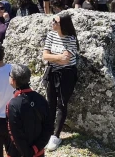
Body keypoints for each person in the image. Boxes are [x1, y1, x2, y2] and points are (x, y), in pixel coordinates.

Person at [42, 12, 79, 152]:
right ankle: (48, 131)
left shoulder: (71, 38)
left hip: (67, 74)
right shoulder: (51, 35)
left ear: (62, 25)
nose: (52, 23)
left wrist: (52, 57)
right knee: (50, 103)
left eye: (55, 21)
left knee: (61, 104)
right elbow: (44, 56)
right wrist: (57, 57)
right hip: (53, 73)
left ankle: (56, 135)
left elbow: (66, 60)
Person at [6, 64, 51, 157]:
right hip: (38, 152)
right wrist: (36, 148)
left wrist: (27, 153)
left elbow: (15, 134)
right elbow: (49, 128)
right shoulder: (41, 99)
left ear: (13, 80)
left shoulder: (13, 104)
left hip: (18, 153)